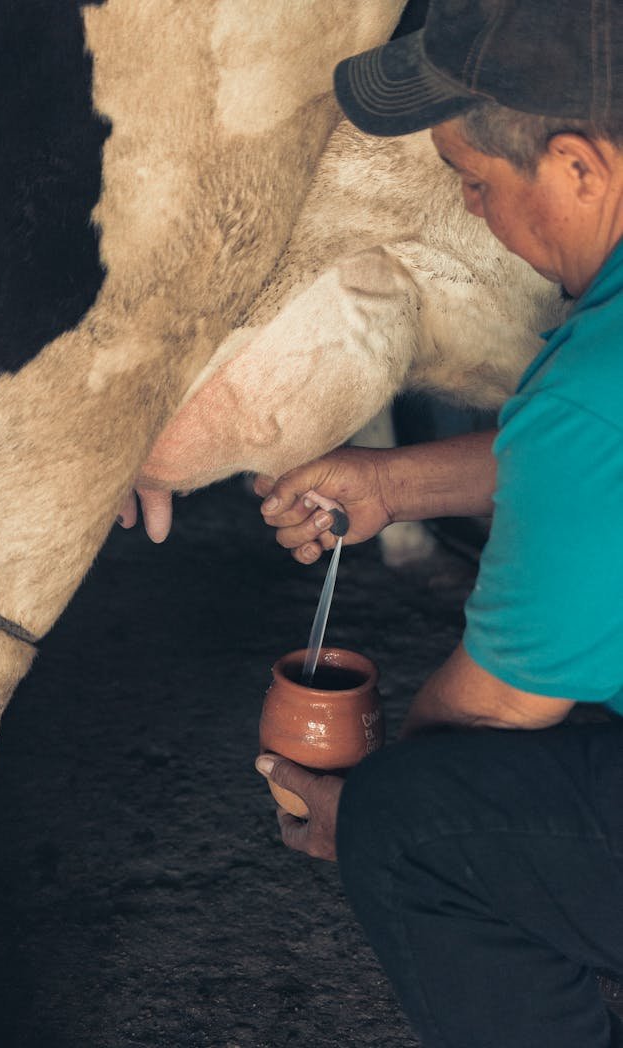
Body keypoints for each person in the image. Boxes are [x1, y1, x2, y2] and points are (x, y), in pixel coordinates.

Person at [252, 1, 623, 1046]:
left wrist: (358, 818)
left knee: (421, 827)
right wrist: (395, 483)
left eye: (474, 181)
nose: (468, 210)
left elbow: (488, 719)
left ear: (580, 169)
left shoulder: (593, 386)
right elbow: (597, 468)